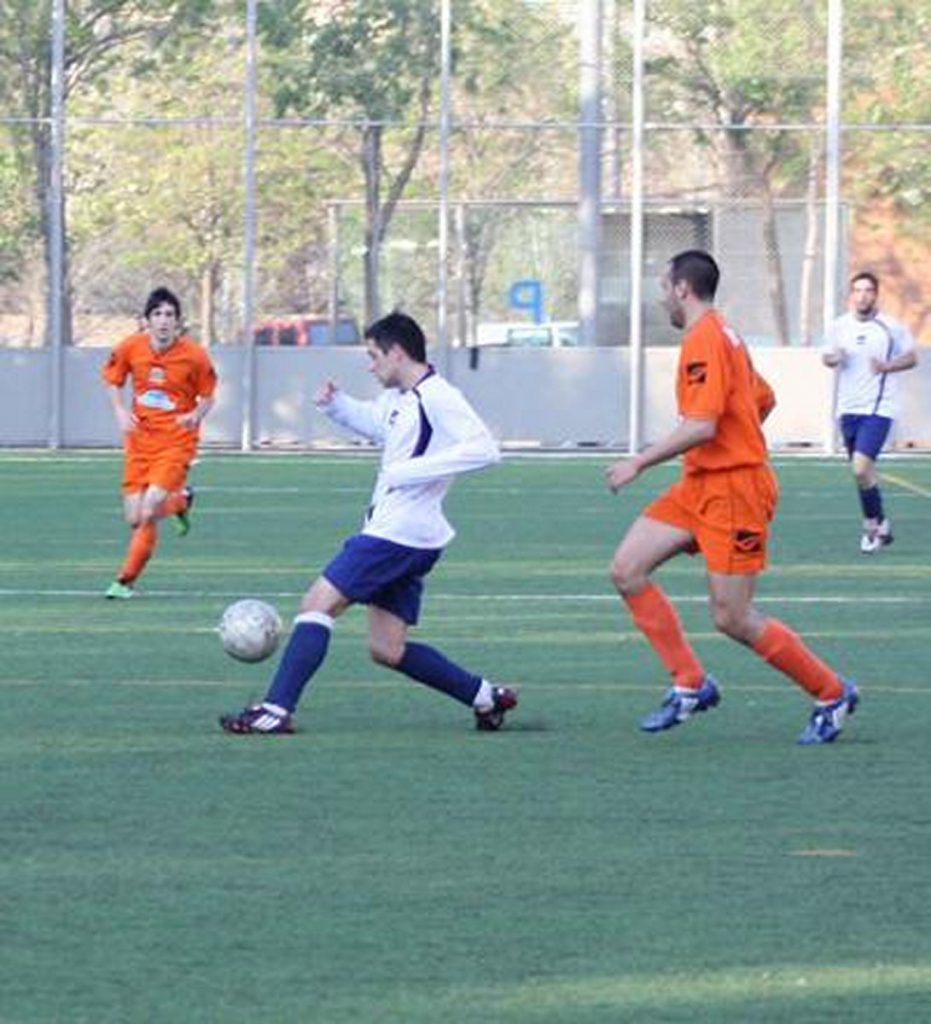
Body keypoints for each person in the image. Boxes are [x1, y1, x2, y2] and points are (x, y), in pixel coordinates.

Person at [220, 311, 518, 735]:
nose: (370, 363)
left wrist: (412, 471)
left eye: (374, 354)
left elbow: (485, 449)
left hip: (396, 534)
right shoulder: (401, 399)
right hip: (411, 536)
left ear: (397, 353)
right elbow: (380, 425)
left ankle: (276, 709)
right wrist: (337, 407)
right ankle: (486, 697)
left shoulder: (437, 395)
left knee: (316, 605)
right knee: (387, 648)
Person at [606, 250, 858, 744]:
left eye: (664, 287)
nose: (663, 298)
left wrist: (638, 461)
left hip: (735, 491)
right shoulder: (725, 335)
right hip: (700, 485)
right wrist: (735, 436)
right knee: (626, 569)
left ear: (682, 288)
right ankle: (690, 683)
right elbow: (762, 399)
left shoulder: (705, 338)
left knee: (732, 616)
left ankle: (831, 692)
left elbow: (702, 424)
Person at [101, 287, 217, 598]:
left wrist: (195, 414)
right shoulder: (131, 347)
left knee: (150, 508)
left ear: (178, 322)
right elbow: (113, 379)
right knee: (134, 517)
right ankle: (181, 501)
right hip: (139, 441)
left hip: (177, 441)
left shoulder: (194, 355)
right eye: (158, 314)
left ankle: (125, 581)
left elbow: (207, 395)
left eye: (170, 315)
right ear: (146, 320)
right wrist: (120, 411)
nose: (164, 321)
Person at [822, 271, 918, 553]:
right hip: (848, 410)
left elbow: (912, 357)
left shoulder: (890, 327)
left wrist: (888, 366)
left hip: (879, 409)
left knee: (861, 467)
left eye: (868, 291)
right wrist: (834, 358)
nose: (863, 295)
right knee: (863, 474)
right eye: (858, 290)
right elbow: (827, 357)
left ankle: (871, 527)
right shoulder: (838, 327)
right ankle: (883, 523)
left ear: (876, 295)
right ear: (851, 295)